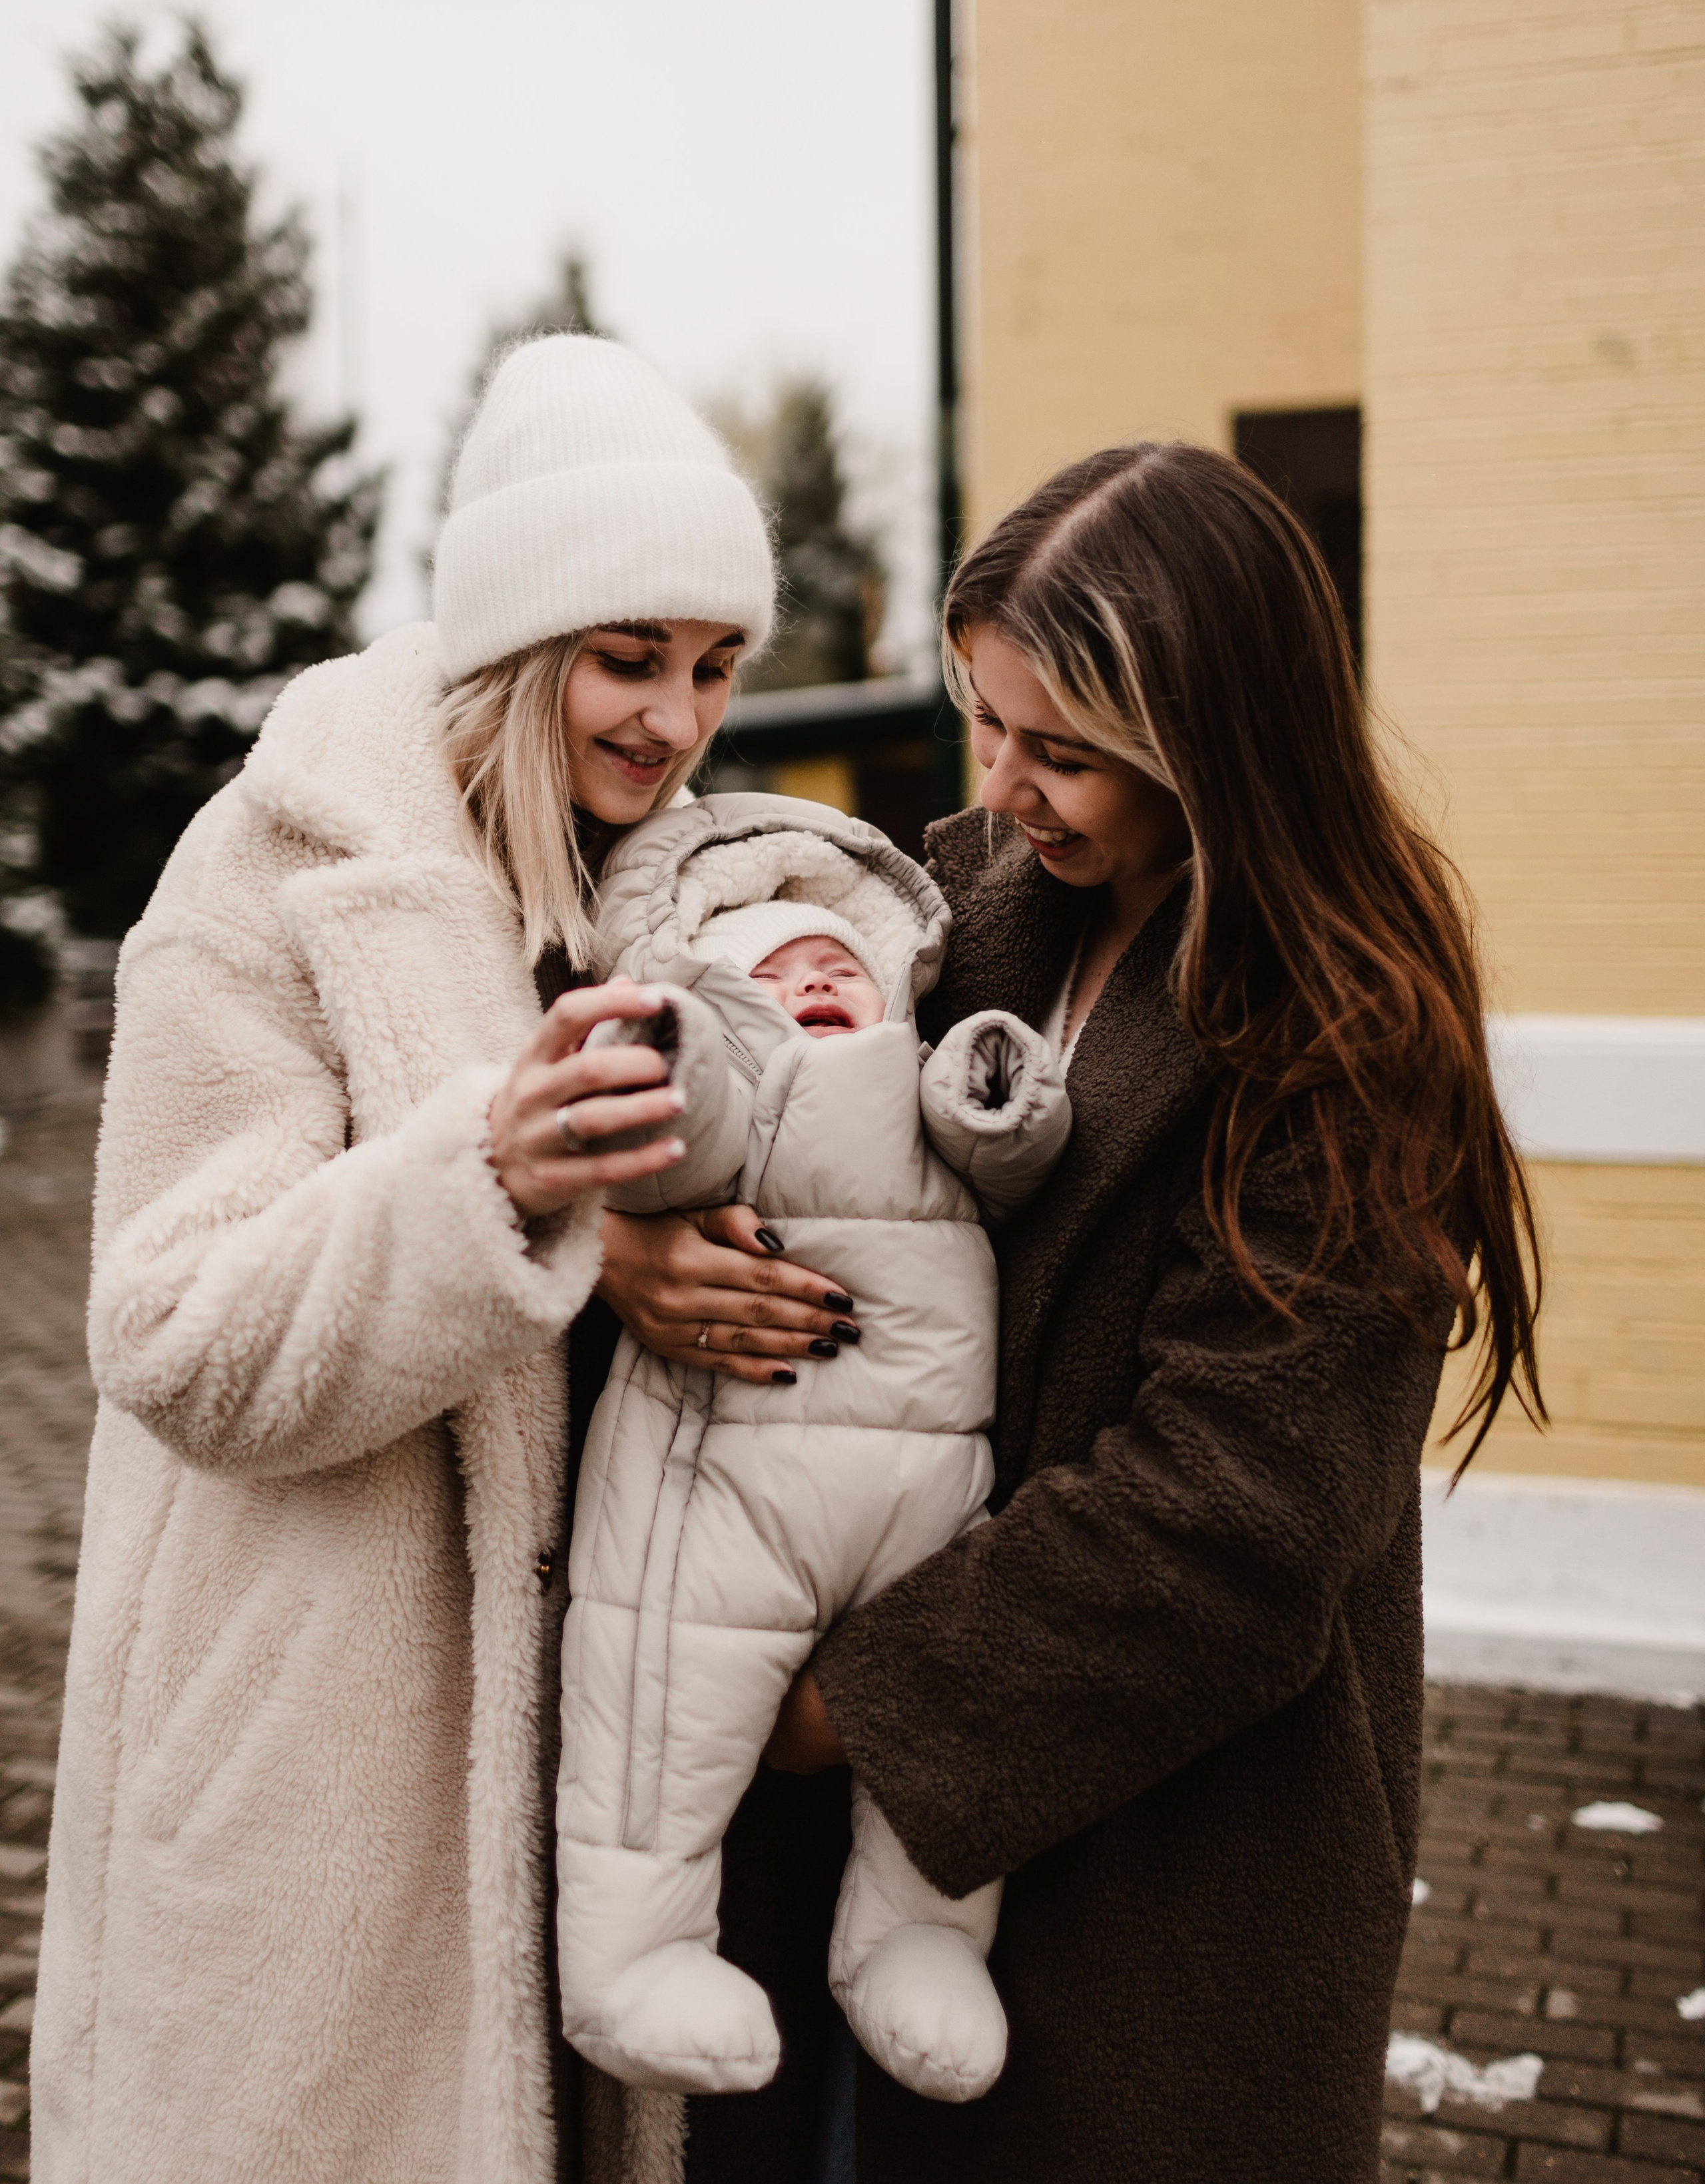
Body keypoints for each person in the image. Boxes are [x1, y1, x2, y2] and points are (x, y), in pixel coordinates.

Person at [599, 440, 1543, 2184]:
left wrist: (837, 1708)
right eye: (987, 722)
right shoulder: (959, 904)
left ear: (1214, 739)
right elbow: (763, 1104)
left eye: (1065, 751)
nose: (1007, 785)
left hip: (1156, 1890)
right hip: (835, 1872)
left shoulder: (1351, 1042)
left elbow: (1236, 1523)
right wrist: (631, 1248)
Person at [30, 334, 781, 2184]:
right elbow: (175, 1332)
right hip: (309, 1772)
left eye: (712, 666)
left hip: (577, 1762)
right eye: (628, 656)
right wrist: (502, 1181)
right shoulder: (267, 877)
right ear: (519, 643)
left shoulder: (678, 891)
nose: (674, 718)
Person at [555, 794, 1069, 2104]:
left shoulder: (920, 1071)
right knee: (662, 1703)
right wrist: (668, 1060)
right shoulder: (742, 1084)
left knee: (948, 1723)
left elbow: (1013, 1164)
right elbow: (668, 1163)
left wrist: (1000, 1093)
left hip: (928, 1494)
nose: (819, 982)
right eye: (781, 973)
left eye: (839, 963)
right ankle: (632, 1954)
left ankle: (917, 1941)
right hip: (729, 1479)